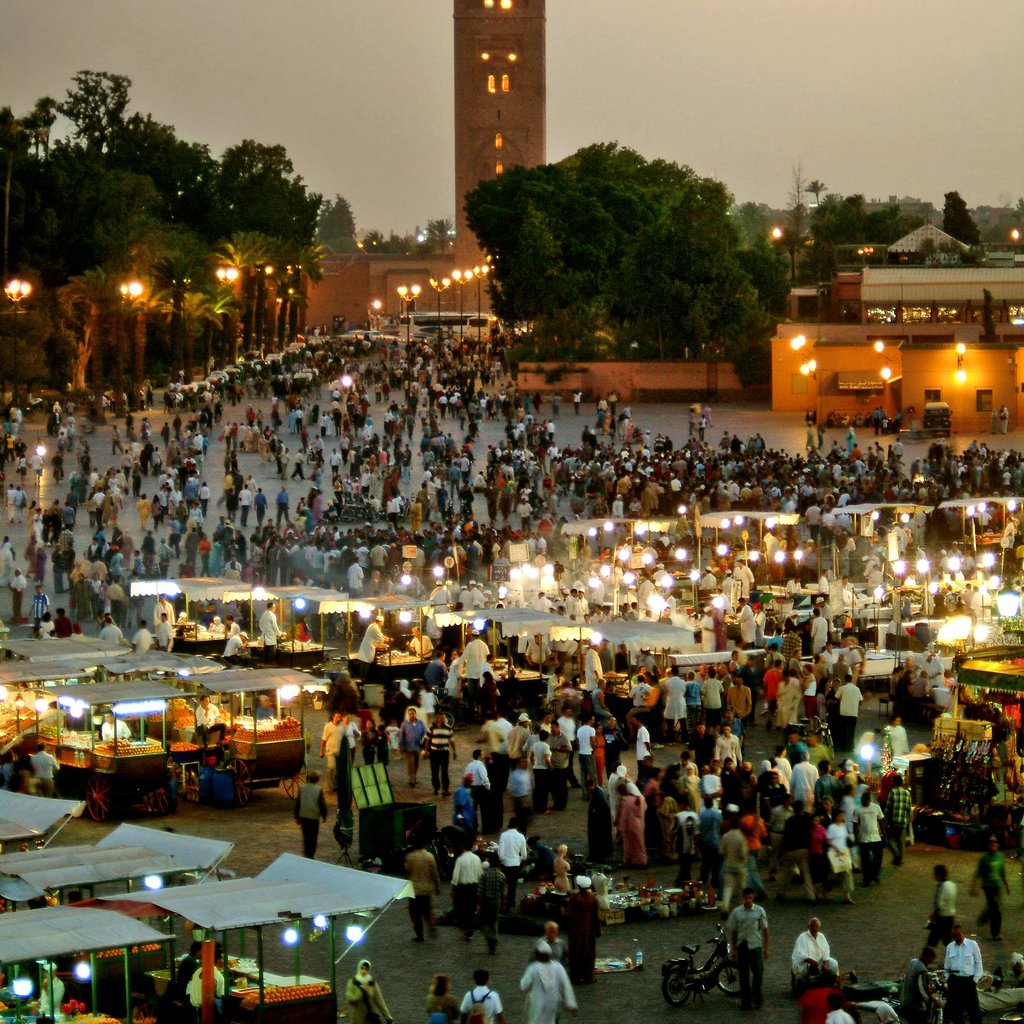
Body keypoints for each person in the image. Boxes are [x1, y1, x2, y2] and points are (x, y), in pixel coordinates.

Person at [726, 887, 770, 1011]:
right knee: (744, 976)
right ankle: (746, 1002)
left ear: (753, 898)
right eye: (746, 898)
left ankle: (757, 997)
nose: (748, 900)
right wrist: (733, 949)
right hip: (742, 946)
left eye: (750, 898)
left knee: (758, 973)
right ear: (743, 898)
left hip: (755, 946)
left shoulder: (760, 911)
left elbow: (765, 930)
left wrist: (766, 948)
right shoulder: (737, 912)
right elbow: (733, 932)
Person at [519, 940, 577, 1024]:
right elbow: (566, 986)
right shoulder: (558, 967)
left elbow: (523, 986)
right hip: (552, 1004)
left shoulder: (533, 968)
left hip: (537, 1003)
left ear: (538, 955)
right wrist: (571, 1005)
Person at [943, 923, 983, 1024]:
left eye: (958, 935)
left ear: (963, 933)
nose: (957, 937)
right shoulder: (950, 947)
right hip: (955, 981)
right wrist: (948, 979)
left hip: (969, 981)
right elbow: (947, 965)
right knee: (956, 1011)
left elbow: (978, 963)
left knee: (974, 1011)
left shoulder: (972, 945)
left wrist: (975, 980)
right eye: (954, 936)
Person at [972, 834, 1009, 941]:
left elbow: (1002, 871)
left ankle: (983, 918)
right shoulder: (984, 859)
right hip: (988, 887)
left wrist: (1006, 885)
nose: (993, 846)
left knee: (993, 906)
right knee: (995, 910)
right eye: (991, 844)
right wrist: (974, 886)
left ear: (997, 845)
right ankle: (995, 933)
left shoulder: (1000, 856)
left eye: (995, 844)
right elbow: (978, 873)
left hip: (997, 886)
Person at [405, 834, 441, 942]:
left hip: (415, 889)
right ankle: (431, 925)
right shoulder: (430, 856)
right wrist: (437, 886)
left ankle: (419, 934)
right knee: (427, 910)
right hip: (427, 888)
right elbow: (435, 873)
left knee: (415, 913)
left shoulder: (409, 857)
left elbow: (407, 871)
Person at [566, 875, 601, 984]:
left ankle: (575, 976)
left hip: (575, 931)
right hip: (589, 931)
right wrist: (598, 931)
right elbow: (597, 917)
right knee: (589, 953)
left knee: (575, 953)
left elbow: (568, 914)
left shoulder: (575, 898)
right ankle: (588, 977)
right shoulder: (594, 899)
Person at [792, 917, 839, 988]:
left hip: (818, 961)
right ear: (808, 927)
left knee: (833, 963)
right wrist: (812, 962)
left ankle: (829, 981)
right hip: (805, 963)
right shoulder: (802, 937)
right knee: (806, 971)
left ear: (819, 927)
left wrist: (825, 963)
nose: (814, 928)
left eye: (816, 926)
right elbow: (801, 954)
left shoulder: (821, 936)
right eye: (812, 926)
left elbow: (826, 950)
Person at [345, 960, 394, 1024]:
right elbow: (350, 1000)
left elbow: (380, 1001)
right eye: (362, 968)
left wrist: (388, 1017)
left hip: (371, 1016)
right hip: (358, 1017)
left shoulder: (372, 983)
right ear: (359, 968)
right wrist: (360, 992)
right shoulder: (352, 982)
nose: (364, 971)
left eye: (366, 969)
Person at [478, 852, 507, 954]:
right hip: (497, 900)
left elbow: (480, 892)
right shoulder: (501, 875)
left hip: (486, 901)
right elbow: (504, 891)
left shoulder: (484, 875)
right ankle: (494, 938)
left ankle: (490, 938)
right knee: (494, 921)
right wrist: (503, 902)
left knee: (485, 921)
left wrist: (478, 904)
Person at [901, 947, 939, 1024]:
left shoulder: (913, 962)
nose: (931, 961)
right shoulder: (921, 970)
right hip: (914, 1007)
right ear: (927, 957)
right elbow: (922, 991)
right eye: (931, 959)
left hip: (905, 1001)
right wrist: (933, 1000)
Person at [187, 945, 226, 1021]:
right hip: (207, 1009)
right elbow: (220, 995)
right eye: (222, 958)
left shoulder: (197, 971)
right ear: (218, 960)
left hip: (195, 1005)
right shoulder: (218, 976)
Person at [294, 770, 327, 858]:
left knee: (306, 836)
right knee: (313, 837)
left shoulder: (302, 788)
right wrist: (324, 815)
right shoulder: (318, 790)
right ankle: (311, 854)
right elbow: (322, 804)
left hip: (303, 816)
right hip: (313, 817)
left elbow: (298, 803)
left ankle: (306, 853)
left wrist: (296, 816)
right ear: (317, 779)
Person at [498, 817, 528, 911]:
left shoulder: (504, 835)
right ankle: (511, 901)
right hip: (515, 863)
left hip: (505, 863)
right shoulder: (521, 836)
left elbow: (501, 854)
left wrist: (501, 861)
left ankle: (504, 902)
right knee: (513, 884)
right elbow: (524, 855)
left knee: (504, 884)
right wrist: (521, 862)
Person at [615, 781, 647, 867]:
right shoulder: (641, 798)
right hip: (639, 824)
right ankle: (641, 861)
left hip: (629, 825)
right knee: (639, 844)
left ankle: (627, 861)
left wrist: (620, 826)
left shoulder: (626, 800)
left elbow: (624, 815)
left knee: (628, 845)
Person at [884, 774, 911, 866]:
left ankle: (897, 856)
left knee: (889, 840)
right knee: (901, 842)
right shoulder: (907, 793)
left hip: (893, 821)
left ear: (894, 782)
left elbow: (888, 807)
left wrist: (886, 819)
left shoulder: (893, 792)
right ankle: (900, 860)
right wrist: (908, 818)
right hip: (903, 821)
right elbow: (908, 808)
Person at [928, 864, 957, 948]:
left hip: (942, 918)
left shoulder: (942, 886)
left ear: (938, 875)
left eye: (935, 874)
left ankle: (926, 958)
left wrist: (934, 915)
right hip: (950, 916)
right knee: (947, 940)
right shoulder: (952, 884)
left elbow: (940, 904)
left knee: (932, 940)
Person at [399, 706, 427, 786]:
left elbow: (425, 732)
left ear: (415, 714)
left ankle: (414, 776)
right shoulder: (405, 723)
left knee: (416, 763)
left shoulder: (420, 723)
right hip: (408, 746)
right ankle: (411, 778)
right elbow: (401, 735)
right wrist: (401, 746)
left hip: (417, 746)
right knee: (409, 763)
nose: (411, 715)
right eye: (410, 714)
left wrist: (425, 740)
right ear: (408, 715)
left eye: (413, 713)